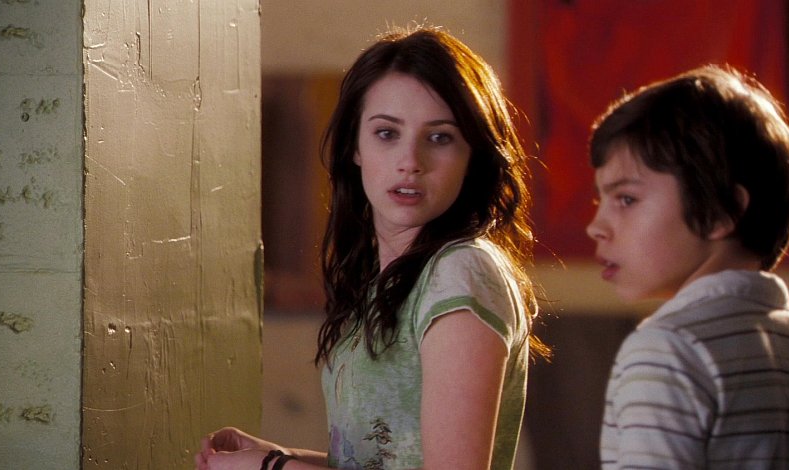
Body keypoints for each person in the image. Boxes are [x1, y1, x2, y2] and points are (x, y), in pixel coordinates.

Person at [195, 25, 548, 470]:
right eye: (386, 133)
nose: (410, 162)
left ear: (472, 155)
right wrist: (277, 456)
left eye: (440, 137)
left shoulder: (462, 270)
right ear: (355, 147)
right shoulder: (391, 279)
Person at [586, 64, 789, 469]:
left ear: (721, 211)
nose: (596, 227)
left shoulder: (666, 350)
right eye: (600, 200)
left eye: (626, 199)